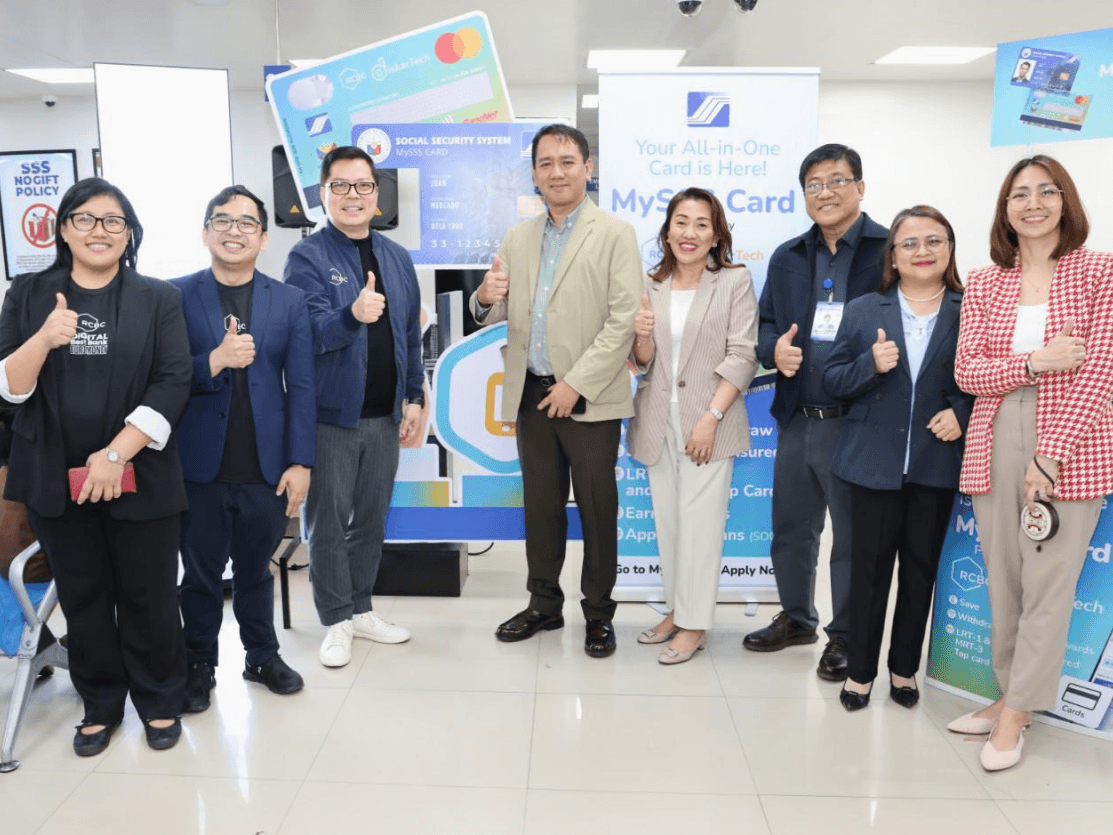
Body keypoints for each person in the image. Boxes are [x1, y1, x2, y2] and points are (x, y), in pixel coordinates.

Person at [0, 178, 192, 755]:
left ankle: (160, 701)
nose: (99, 231)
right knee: (83, 597)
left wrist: (114, 456)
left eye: (113, 221)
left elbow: (173, 379)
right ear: (63, 229)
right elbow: (8, 390)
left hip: (140, 474)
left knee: (150, 595)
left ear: (129, 233)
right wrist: (42, 339)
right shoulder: (28, 295)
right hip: (54, 480)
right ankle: (101, 704)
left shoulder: (158, 297)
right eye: (85, 219)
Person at [950, 156, 1113, 771]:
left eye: (1047, 192)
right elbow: (969, 372)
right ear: (1005, 209)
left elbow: (1097, 371)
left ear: (1066, 202)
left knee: (1048, 585)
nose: (1034, 203)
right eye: (1020, 194)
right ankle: (1006, 694)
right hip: (993, 433)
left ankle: (1017, 715)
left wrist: (1050, 456)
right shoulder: (986, 281)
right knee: (1006, 579)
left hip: (1072, 440)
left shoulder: (1101, 272)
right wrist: (1036, 362)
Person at [469, 124, 642, 658]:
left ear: (587, 168)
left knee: (596, 508)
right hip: (530, 396)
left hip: (590, 398)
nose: (557, 172)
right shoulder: (517, 238)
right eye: (546, 163)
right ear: (535, 174)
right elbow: (495, 311)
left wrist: (575, 384)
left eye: (568, 161)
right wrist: (482, 295)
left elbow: (623, 320)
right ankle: (543, 604)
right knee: (540, 508)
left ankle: (598, 614)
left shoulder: (615, 233)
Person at [744, 144, 888, 682]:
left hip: (859, 420)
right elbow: (764, 325)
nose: (825, 193)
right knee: (791, 529)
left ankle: (846, 634)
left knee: (851, 537)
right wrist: (770, 352)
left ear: (860, 187)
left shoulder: (889, 249)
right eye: (814, 185)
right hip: (797, 416)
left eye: (837, 181)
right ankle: (798, 618)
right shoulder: (788, 256)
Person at [823, 205, 973, 710]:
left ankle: (903, 669)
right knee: (867, 575)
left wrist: (961, 410)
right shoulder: (866, 309)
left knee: (920, 572)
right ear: (894, 255)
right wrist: (871, 363)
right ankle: (860, 673)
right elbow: (834, 379)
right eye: (910, 243)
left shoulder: (971, 308)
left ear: (950, 249)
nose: (922, 251)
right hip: (871, 464)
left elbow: (989, 380)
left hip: (936, 464)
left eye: (935, 240)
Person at [172, 186, 315, 709]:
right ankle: (199, 663)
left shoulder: (289, 300)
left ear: (263, 237)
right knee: (202, 575)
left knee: (257, 570)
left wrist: (301, 462)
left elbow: (301, 386)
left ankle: (261, 656)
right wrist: (213, 360)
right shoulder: (175, 296)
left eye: (246, 223)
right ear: (206, 232)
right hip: (197, 464)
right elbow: (161, 377)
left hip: (266, 465)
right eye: (223, 221)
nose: (234, 231)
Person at [284, 146, 424, 668]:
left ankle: (361, 607)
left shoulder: (396, 257)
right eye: (340, 186)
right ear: (323, 195)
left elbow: (409, 334)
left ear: (376, 195)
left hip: (385, 416)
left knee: (370, 518)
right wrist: (353, 313)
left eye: (362, 186)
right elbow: (308, 333)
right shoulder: (308, 257)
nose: (352, 196)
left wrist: (413, 395)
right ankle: (336, 619)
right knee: (327, 521)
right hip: (331, 418)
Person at [626, 188, 759, 664]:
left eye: (702, 224)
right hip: (657, 419)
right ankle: (677, 611)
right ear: (666, 231)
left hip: (710, 422)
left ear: (717, 234)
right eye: (681, 222)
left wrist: (711, 417)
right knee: (671, 526)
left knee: (700, 528)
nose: (690, 233)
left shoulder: (733, 281)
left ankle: (694, 624)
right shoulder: (649, 283)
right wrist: (640, 339)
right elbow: (642, 364)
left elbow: (743, 355)